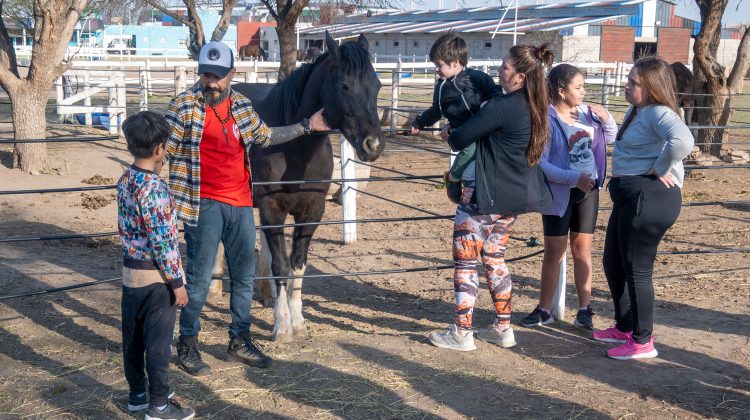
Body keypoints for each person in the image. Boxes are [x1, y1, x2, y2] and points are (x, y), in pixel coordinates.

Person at [165, 41, 330, 376]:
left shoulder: (241, 105)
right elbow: (163, 146)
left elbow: (266, 136)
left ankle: (239, 339)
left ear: (232, 75)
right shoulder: (183, 106)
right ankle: (188, 343)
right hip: (204, 204)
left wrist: (306, 127)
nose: (211, 81)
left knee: (243, 277)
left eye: (218, 75)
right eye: (206, 74)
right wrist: (144, 176)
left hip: (240, 203)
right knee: (198, 279)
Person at [428, 44, 554, 351]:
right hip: (510, 200)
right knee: (496, 259)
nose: (499, 71)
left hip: (482, 197)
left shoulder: (503, 106)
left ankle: (461, 332)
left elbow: (460, 138)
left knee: (466, 263)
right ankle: (503, 327)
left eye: (505, 67)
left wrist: (447, 132)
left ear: (521, 76)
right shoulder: (535, 105)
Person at [594, 56, 693, 360]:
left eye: (634, 82)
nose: (627, 85)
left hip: (649, 197)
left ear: (650, 88)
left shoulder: (658, 113)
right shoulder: (638, 110)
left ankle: (642, 341)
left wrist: (661, 165)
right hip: (630, 196)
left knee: (637, 268)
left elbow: (684, 140)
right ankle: (625, 325)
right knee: (613, 261)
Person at [520, 64, 618, 330]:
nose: (584, 92)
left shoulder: (588, 114)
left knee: (582, 250)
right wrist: (574, 179)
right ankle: (544, 309)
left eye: (584, 86)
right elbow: (541, 163)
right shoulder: (547, 119)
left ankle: (585, 309)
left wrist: (607, 117)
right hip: (559, 192)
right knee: (554, 251)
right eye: (579, 87)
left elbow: (610, 138)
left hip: (588, 191)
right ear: (562, 91)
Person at [117, 111, 195, 420]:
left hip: (130, 272)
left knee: (133, 339)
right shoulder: (156, 190)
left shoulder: (126, 179)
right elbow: (163, 242)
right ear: (161, 147)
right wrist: (177, 282)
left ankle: (137, 394)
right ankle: (159, 405)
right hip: (155, 278)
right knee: (159, 344)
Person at [409, 33, 501, 203]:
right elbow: (437, 110)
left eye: (439, 65)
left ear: (455, 63)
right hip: (463, 131)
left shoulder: (478, 78)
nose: (436, 69)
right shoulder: (441, 87)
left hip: (486, 126)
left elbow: (495, 94)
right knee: (470, 150)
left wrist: (489, 105)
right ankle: (453, 177)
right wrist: (420, 122)